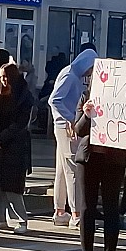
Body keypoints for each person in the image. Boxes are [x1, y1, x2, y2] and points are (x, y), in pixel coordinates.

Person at [71, 84, 126, 251]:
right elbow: (78, 129)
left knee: (111, 207)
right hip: (88, 159)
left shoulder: (125, 100)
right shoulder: (86, 96)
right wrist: (87, 114)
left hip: (114, 160)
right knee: (87, 206)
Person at [0, 63, 33, 234]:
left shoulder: (24, 97)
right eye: (1, 76)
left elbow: (21, 123)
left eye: (6, 76)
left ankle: (20, 219)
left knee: (12, 185)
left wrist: (0, 138)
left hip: (15, 145)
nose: (3, 80)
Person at [48, 44, 97, 228]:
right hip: (67, 126)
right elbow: (55, 100)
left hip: (62, 125)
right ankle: (76, 214)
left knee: (62, 169)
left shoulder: (70, 73)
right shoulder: (70, 75)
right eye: (90, 68)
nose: (90, 72)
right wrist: (71, 119)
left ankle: (60, 211)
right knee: (73, 170)